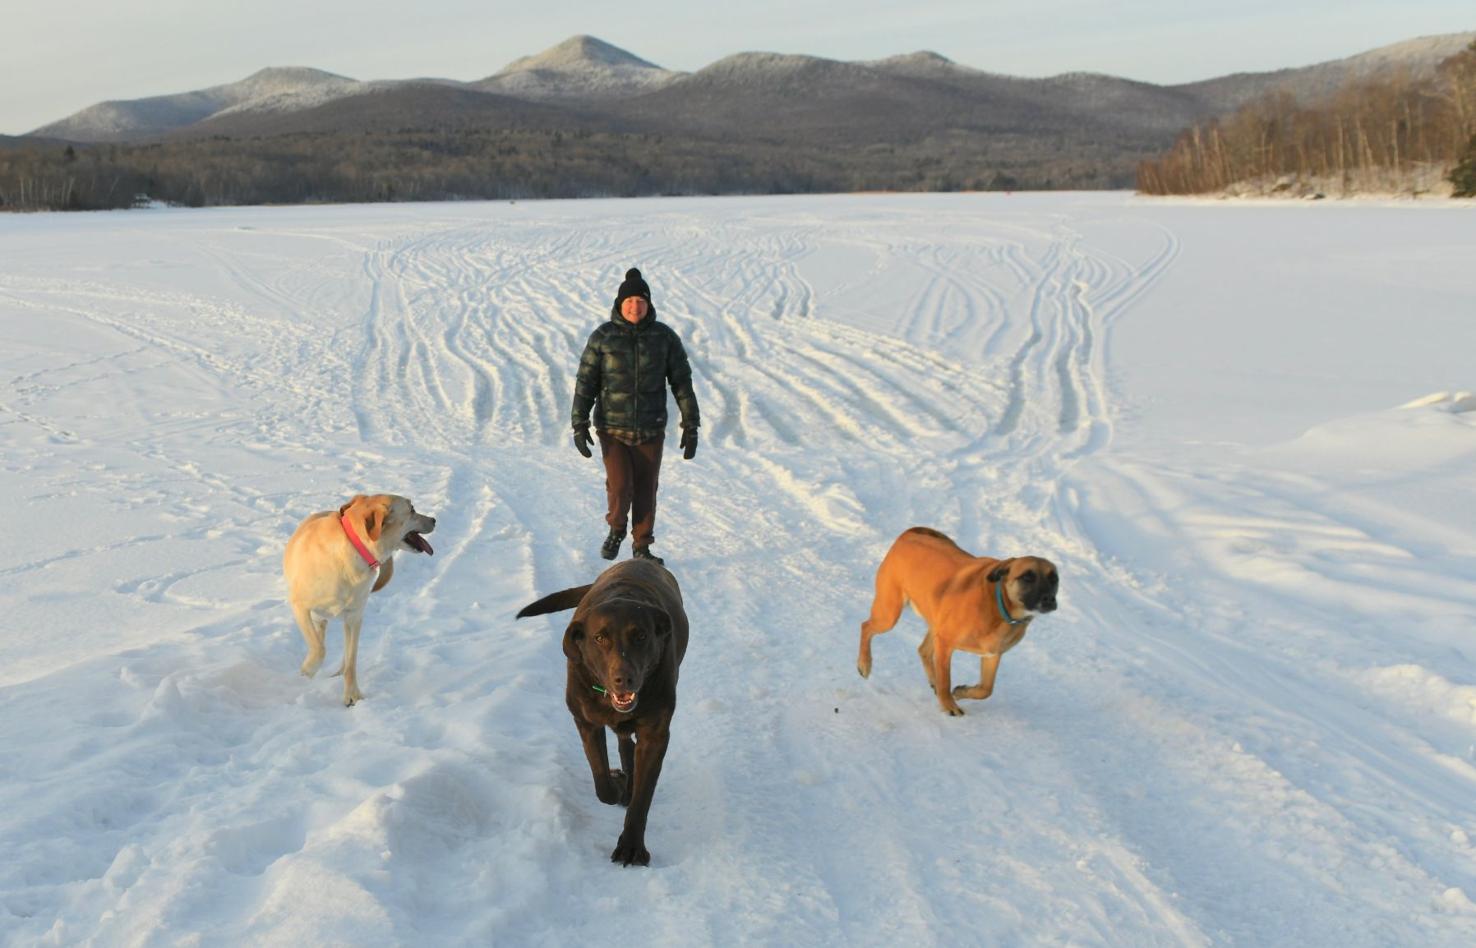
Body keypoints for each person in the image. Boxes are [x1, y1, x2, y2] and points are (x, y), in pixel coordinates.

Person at [571, 267, 700, 564]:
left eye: (640, 301)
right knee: (620, 486)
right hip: (612, 429)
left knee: (646, 489)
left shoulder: (665, 338)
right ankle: (617, 528)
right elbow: (586, 382)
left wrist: (691, 424)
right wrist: (579, 423)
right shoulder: (603, 337)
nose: (635, 307)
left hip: (651, 428)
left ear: (648, 304)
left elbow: (682, 383)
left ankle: (642, 545)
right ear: (620, 303)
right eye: (629, 301)